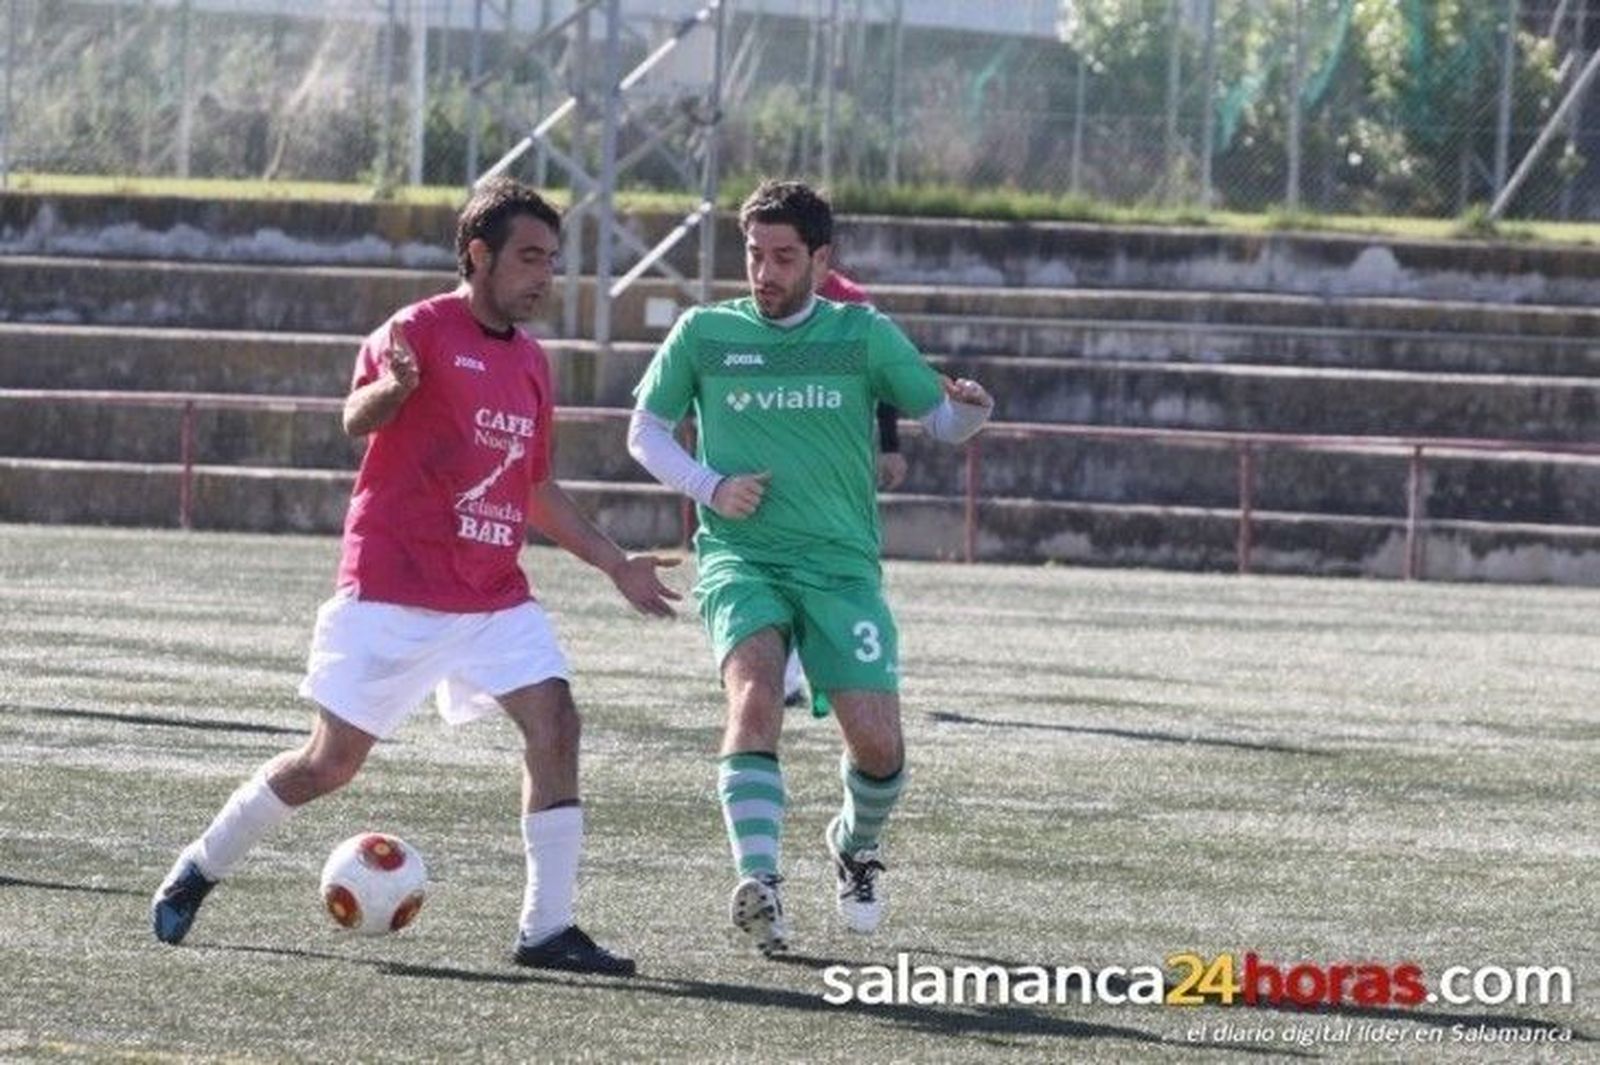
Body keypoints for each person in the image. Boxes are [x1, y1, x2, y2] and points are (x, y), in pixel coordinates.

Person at [150, 178, 679, 976]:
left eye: (551, 259)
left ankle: (547, 928)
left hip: (492, 594)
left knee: (557, 722)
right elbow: (355, 417)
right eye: (529, 257)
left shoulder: (531, 362)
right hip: (395, 588)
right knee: (328, 764)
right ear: (478, 255)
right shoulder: (418, 329)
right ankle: (200, 864)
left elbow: (534, 485)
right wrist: (395, 388)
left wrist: (615, 563)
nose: (545, 275)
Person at [626, 179, 993, 955]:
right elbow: (646, 429)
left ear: (823, 261)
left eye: (784, 257)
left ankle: (854, 845)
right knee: (755, 696)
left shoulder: (863, 333)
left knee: (879, 746)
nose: (765, 272)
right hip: (742, 559)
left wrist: (971, 410)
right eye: (754, 255)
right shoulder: (704, 333)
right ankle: (759, 882)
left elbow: (942, 420)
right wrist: (709, 486)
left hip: (840, 568)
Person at [784, 267, 907, 710]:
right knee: (779, 564)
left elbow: (886, 375)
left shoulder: (853, 303)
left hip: (837, 466)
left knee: (836, 567)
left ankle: (845, 668)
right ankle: (784, 675)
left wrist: (890, 447)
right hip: (780, 456)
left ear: (819, 252)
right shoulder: (768, 296)